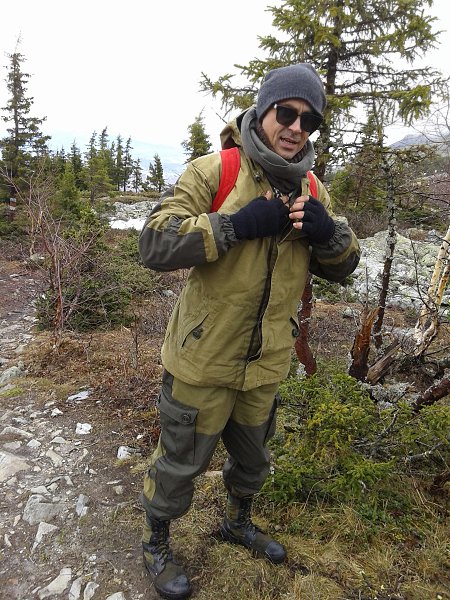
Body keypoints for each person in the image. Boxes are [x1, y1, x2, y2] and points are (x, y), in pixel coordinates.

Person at [138, 63, 360, 599]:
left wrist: (328, 235)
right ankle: (155, 542)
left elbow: (346, 264)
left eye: (309, 121)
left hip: (266, 362)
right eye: (286, 113)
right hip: (203, 357)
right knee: (180, 462)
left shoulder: (313, 187)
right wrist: (234, 226)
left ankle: (237, 522)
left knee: (254, 458)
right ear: (263, 111)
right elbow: (155, 242)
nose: (296, 128)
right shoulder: (215, 171)